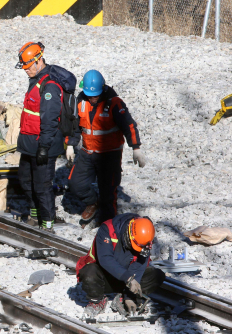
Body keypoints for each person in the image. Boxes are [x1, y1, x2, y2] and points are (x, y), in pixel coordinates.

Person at [68, 70, 146, 225]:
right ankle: (92, 202)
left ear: (102, 89)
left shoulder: (114, 104)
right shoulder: (80, 101)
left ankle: (108, 227)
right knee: (75, 184)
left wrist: (135, 148)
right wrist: (70, 144)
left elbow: (129, 125)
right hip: (87, 151)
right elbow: (74, 126)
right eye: (90, 95)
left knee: (108, 194)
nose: (92, 99)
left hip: (109, 155)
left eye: (95, 95)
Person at [15, 42, 78, 233]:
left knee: (42, 186)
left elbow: (49, 120)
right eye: (24, 67)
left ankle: (47, 225)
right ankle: (35, 215)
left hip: (43, 145)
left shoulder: (49, 86)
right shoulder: (36, 80)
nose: (26, 71)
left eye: (27, 66)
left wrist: (43, 147)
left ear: (38, 60)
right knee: (26, 181)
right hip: (29, 143)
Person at [75, 214, 165, 319]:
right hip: (104, 279)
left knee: (156, 275)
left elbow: (139, 266)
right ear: (129, 234)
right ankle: (97, 301)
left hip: (126, 281)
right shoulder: (107, 230)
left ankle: (122, 298)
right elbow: (105, 259)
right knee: (89, 272)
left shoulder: (144, 240)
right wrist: (128, 278)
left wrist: (129, 296)